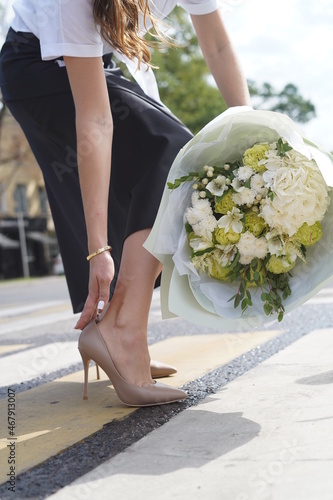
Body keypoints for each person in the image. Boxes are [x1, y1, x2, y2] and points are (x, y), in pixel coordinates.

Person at [0, 0, 251, 406]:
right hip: (37, 68)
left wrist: (249, 132)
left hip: (98, 61)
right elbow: (96, 122)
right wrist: (97, 250)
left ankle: (117, 329)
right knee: (171, 157)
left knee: (157, 172)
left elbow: (218, 46)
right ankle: (120, 333)